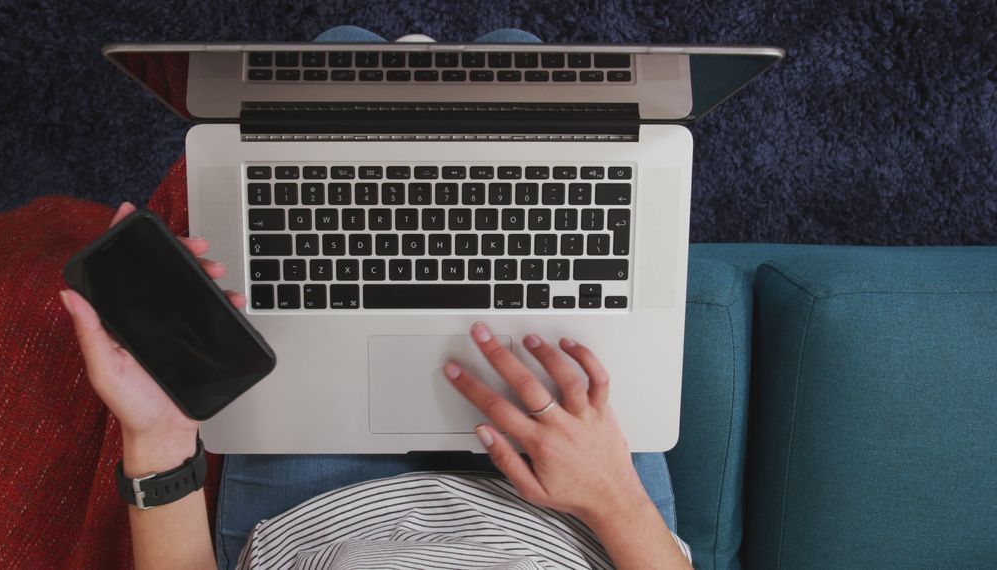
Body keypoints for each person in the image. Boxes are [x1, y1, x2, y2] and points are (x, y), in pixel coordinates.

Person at [61, 26, 692, 570]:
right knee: (522, 62)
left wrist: (160, 438)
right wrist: (613, 496)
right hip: (581, 514)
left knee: (340, 58)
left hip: (315, 515)